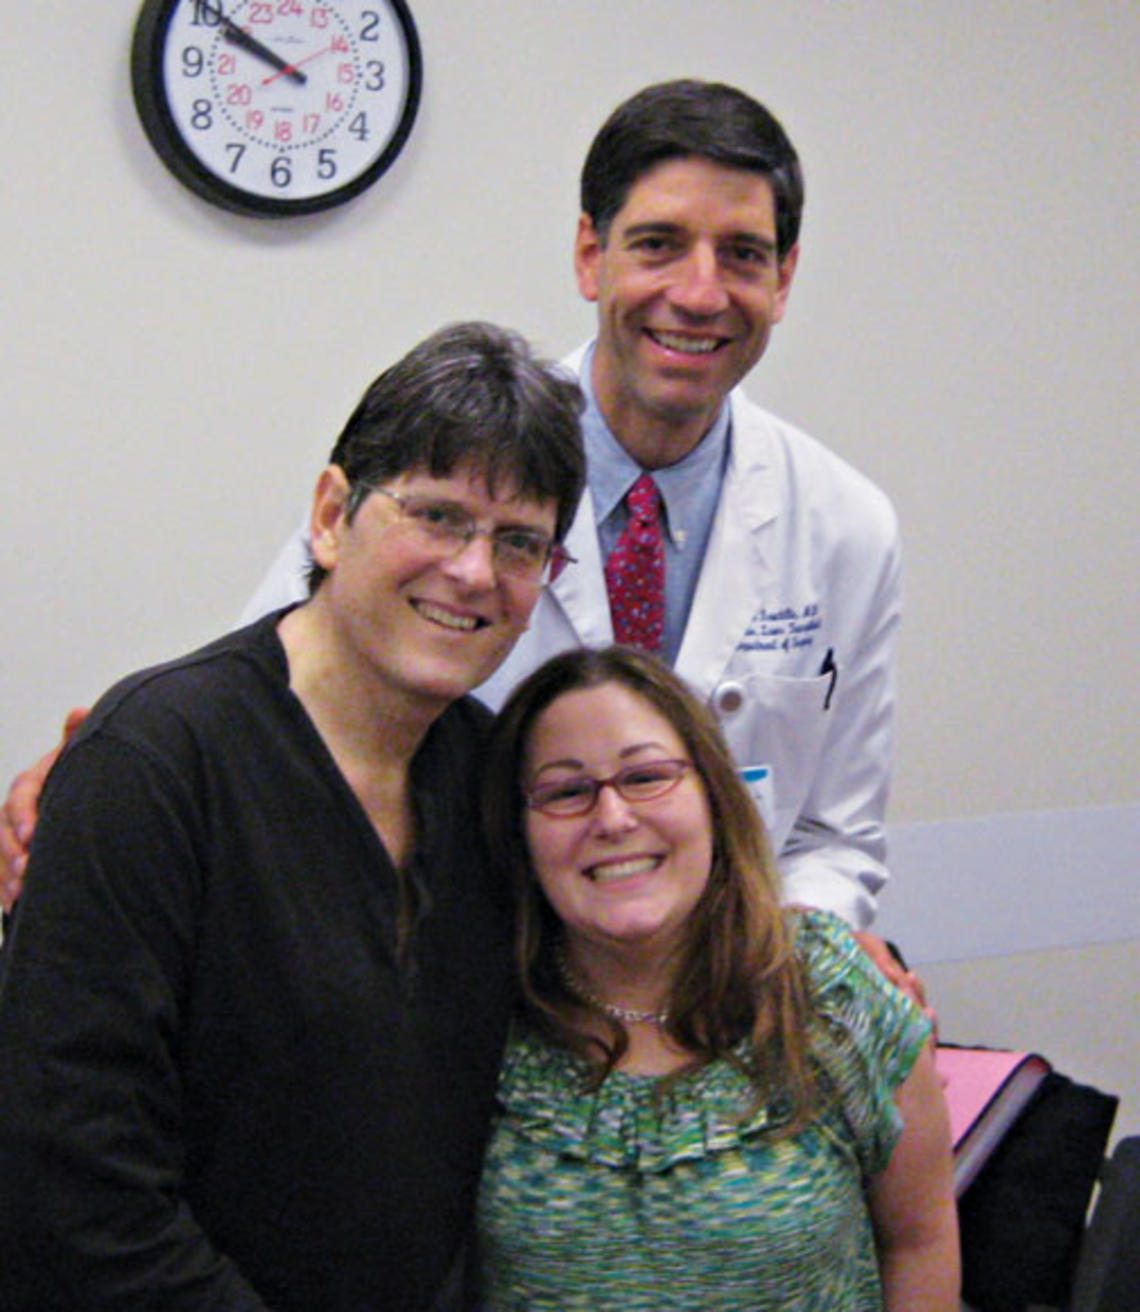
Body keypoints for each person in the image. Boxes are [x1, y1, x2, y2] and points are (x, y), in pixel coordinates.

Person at [2, 80, 904, 957]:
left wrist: (809, 975)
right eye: (659, 244)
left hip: (711, 1004)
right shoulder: (447, 451)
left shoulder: (845, 527)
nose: (701, 293)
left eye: (743, 255)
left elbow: (834, 834)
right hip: (453, 972)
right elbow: (267, 708)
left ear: (784, 278)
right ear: (592, 255)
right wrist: (108, 780)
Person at [0, 322, 586, 1311]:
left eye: (519, 541)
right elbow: (75, 1186)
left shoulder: (489, 782)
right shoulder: (153, 765)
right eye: (439, 516)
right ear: (329, 514)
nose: (476, 573)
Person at [475, 645, 958, 1310]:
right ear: (519, 833)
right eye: (565, 791)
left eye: (646, 777)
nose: (613, 818)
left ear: (714, 796)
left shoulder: (834, 996)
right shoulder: (478, 1015)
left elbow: (920, 1243)